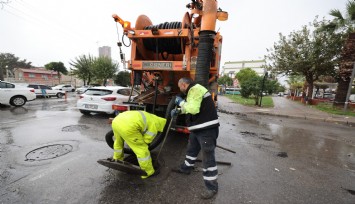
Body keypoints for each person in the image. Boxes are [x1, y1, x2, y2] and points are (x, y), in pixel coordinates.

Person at [171, 77, 220, 199]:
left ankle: (211, 187)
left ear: (183, 84)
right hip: (198, 129)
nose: (180, 90)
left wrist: (180, 102)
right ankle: (186, 168)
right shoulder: (192, 91)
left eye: (179, 87)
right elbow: (191, 107)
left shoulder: (195, 89)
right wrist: (179, 110)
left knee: (208, 158)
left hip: (206, 130)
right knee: (191, 150)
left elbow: (193, 109)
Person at [111, 110, 167, 179]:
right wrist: (143, 143)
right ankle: (148, 172)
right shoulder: (156, 124)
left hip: (116, 121)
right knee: (141, 149)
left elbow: (141, 126)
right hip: (128, 127)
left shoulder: (150, 116)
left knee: (118, 142)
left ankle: (117, 159)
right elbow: (147, 139)